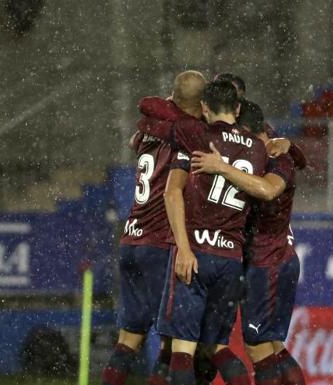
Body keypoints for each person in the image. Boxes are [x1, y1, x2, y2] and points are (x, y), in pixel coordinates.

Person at [137, 80, 268, 385]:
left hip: (195, 252)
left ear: (205, 109)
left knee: (181, 346)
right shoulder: (259, 148)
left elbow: (148, 118)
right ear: (237, 108)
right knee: (217, 345)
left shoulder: (197, 134)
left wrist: (183, 248)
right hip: (231, 259)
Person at [101, 70, 207, 385]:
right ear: (201, 104)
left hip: (132, 238)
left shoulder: (149, 131)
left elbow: (145, 115)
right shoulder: (190, 133)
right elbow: (173, 190)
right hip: (161, 243)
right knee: (173, 342)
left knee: (128, 339)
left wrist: (172, 105)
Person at [191, 100, 306, 385]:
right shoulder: (272, 150)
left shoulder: (276, 158)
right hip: (275, 258)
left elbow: (268, 190)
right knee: (274, 346)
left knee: (257, 346)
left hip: (268, 262)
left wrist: (221, 167)